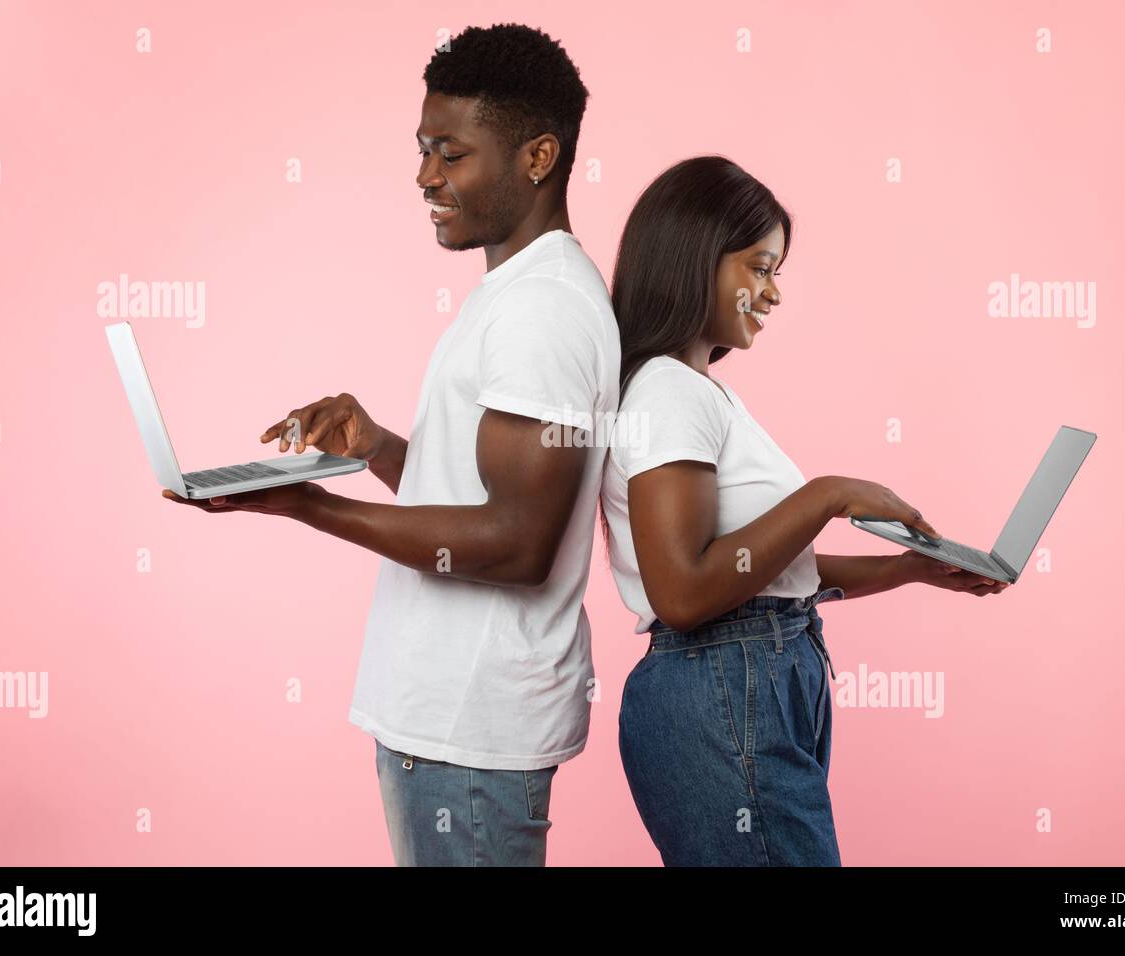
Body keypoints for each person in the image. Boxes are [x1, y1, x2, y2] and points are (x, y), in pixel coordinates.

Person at [165, 24, 619, 867]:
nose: (425, 177)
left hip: (468, 731)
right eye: (422, 150)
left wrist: (310, 504)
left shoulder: (542, 309)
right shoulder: (516, 293)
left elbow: (518, 545)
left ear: (537, 156)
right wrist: (376, 449)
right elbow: (482, 498)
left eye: (450, 153)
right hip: (449, 725)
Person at [599, 155, 1009, 866]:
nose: (773, 293)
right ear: (697, 257)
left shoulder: (697, 390)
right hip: (725, 682)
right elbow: (685, 592)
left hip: (752, 677)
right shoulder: (669, 392)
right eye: (759, 267)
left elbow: (762, 571)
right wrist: (824, 495)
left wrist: (911, 569)